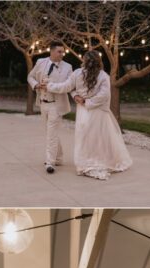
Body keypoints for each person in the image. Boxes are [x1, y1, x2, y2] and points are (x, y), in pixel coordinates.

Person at [45, 50, 132, 181]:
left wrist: (49, 86)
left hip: (85, 111)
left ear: (84, 60)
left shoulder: (77, 73)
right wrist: (80, 98)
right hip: (97, 111)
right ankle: (100, 160)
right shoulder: (103, 76)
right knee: (100, 138)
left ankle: (86, 161)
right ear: (99, 61)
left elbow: (64, 87)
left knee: (84, 137)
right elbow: (104, 96)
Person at [27, 42, 73, 174]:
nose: (62, 54)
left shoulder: (68, 67)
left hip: (56, 105)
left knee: (51, 133)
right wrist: (36, 85)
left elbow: (67, 86)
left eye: (62, 52)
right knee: (50, 132)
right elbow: (30, 76)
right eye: (59, 51)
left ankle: (50, 162)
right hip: (43, 103)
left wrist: (51, 86)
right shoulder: (41, 62)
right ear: (51, 52)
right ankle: (58, 158)